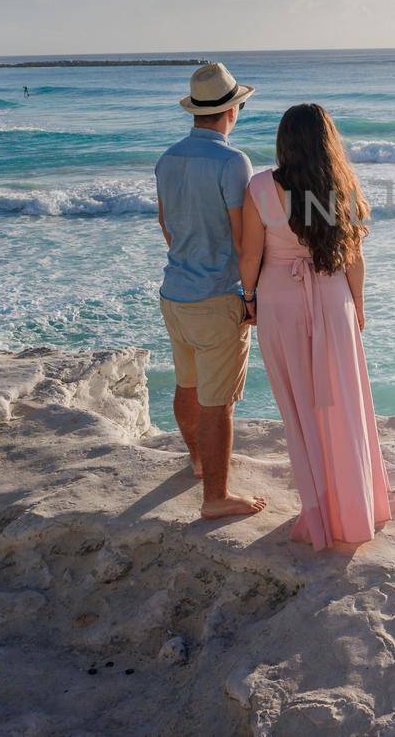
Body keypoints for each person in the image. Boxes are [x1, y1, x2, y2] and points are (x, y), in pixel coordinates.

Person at [239, 104, 390, 549]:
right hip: (333, 297)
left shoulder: (261, 186)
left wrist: (247, 300)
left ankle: (319, 510)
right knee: (344, 400)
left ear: (283, 141)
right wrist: (357, 305)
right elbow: (354, 257)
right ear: (329, 142)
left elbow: (250, 255)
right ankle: (359, 504)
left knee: (300, 406)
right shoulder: (340, 187)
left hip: (280, 301)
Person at [155, 61, 267, 520]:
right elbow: (243, 238)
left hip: (175, 291)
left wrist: (188, 259)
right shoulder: (232, 161)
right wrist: (252, 294)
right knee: (217, 404)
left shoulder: (168, 158)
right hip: (216, 295)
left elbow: (165, 222)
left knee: (188, 384)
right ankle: (216, 498)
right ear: (232, 109)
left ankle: (199, 461)